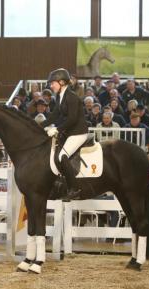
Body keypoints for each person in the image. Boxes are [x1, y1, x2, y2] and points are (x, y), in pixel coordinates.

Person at [41, 68, 88, 199]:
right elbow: (54, 115)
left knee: (62, 156)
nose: (51, 86)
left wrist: (57, 129)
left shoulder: (72, 97)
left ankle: (74, 189)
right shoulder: (59, 96)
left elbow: (72, 119)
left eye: (52, 83)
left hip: (79, 132)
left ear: (62, 82)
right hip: (70, 131)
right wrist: (38, 126)